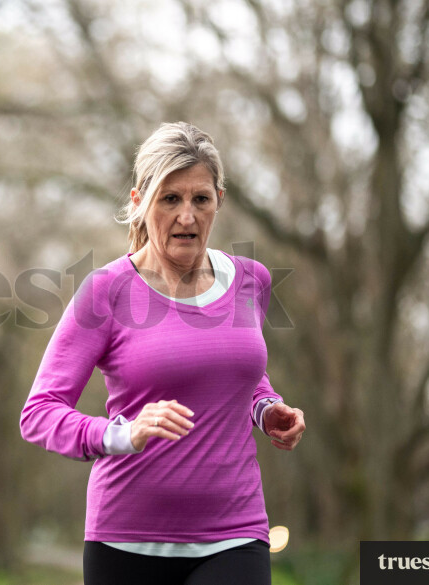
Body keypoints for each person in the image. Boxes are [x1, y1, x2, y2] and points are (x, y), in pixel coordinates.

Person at [19, 122, 306, 585]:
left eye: (200, 199)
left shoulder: (252, 281)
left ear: (220, 200)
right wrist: (123, 433)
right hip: (125, 540)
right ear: (139, 203)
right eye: (170, 199)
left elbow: (238, 371)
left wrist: (265, 409)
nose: (187, 217)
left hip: (236, 532)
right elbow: (39, 412)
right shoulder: (106, 292)